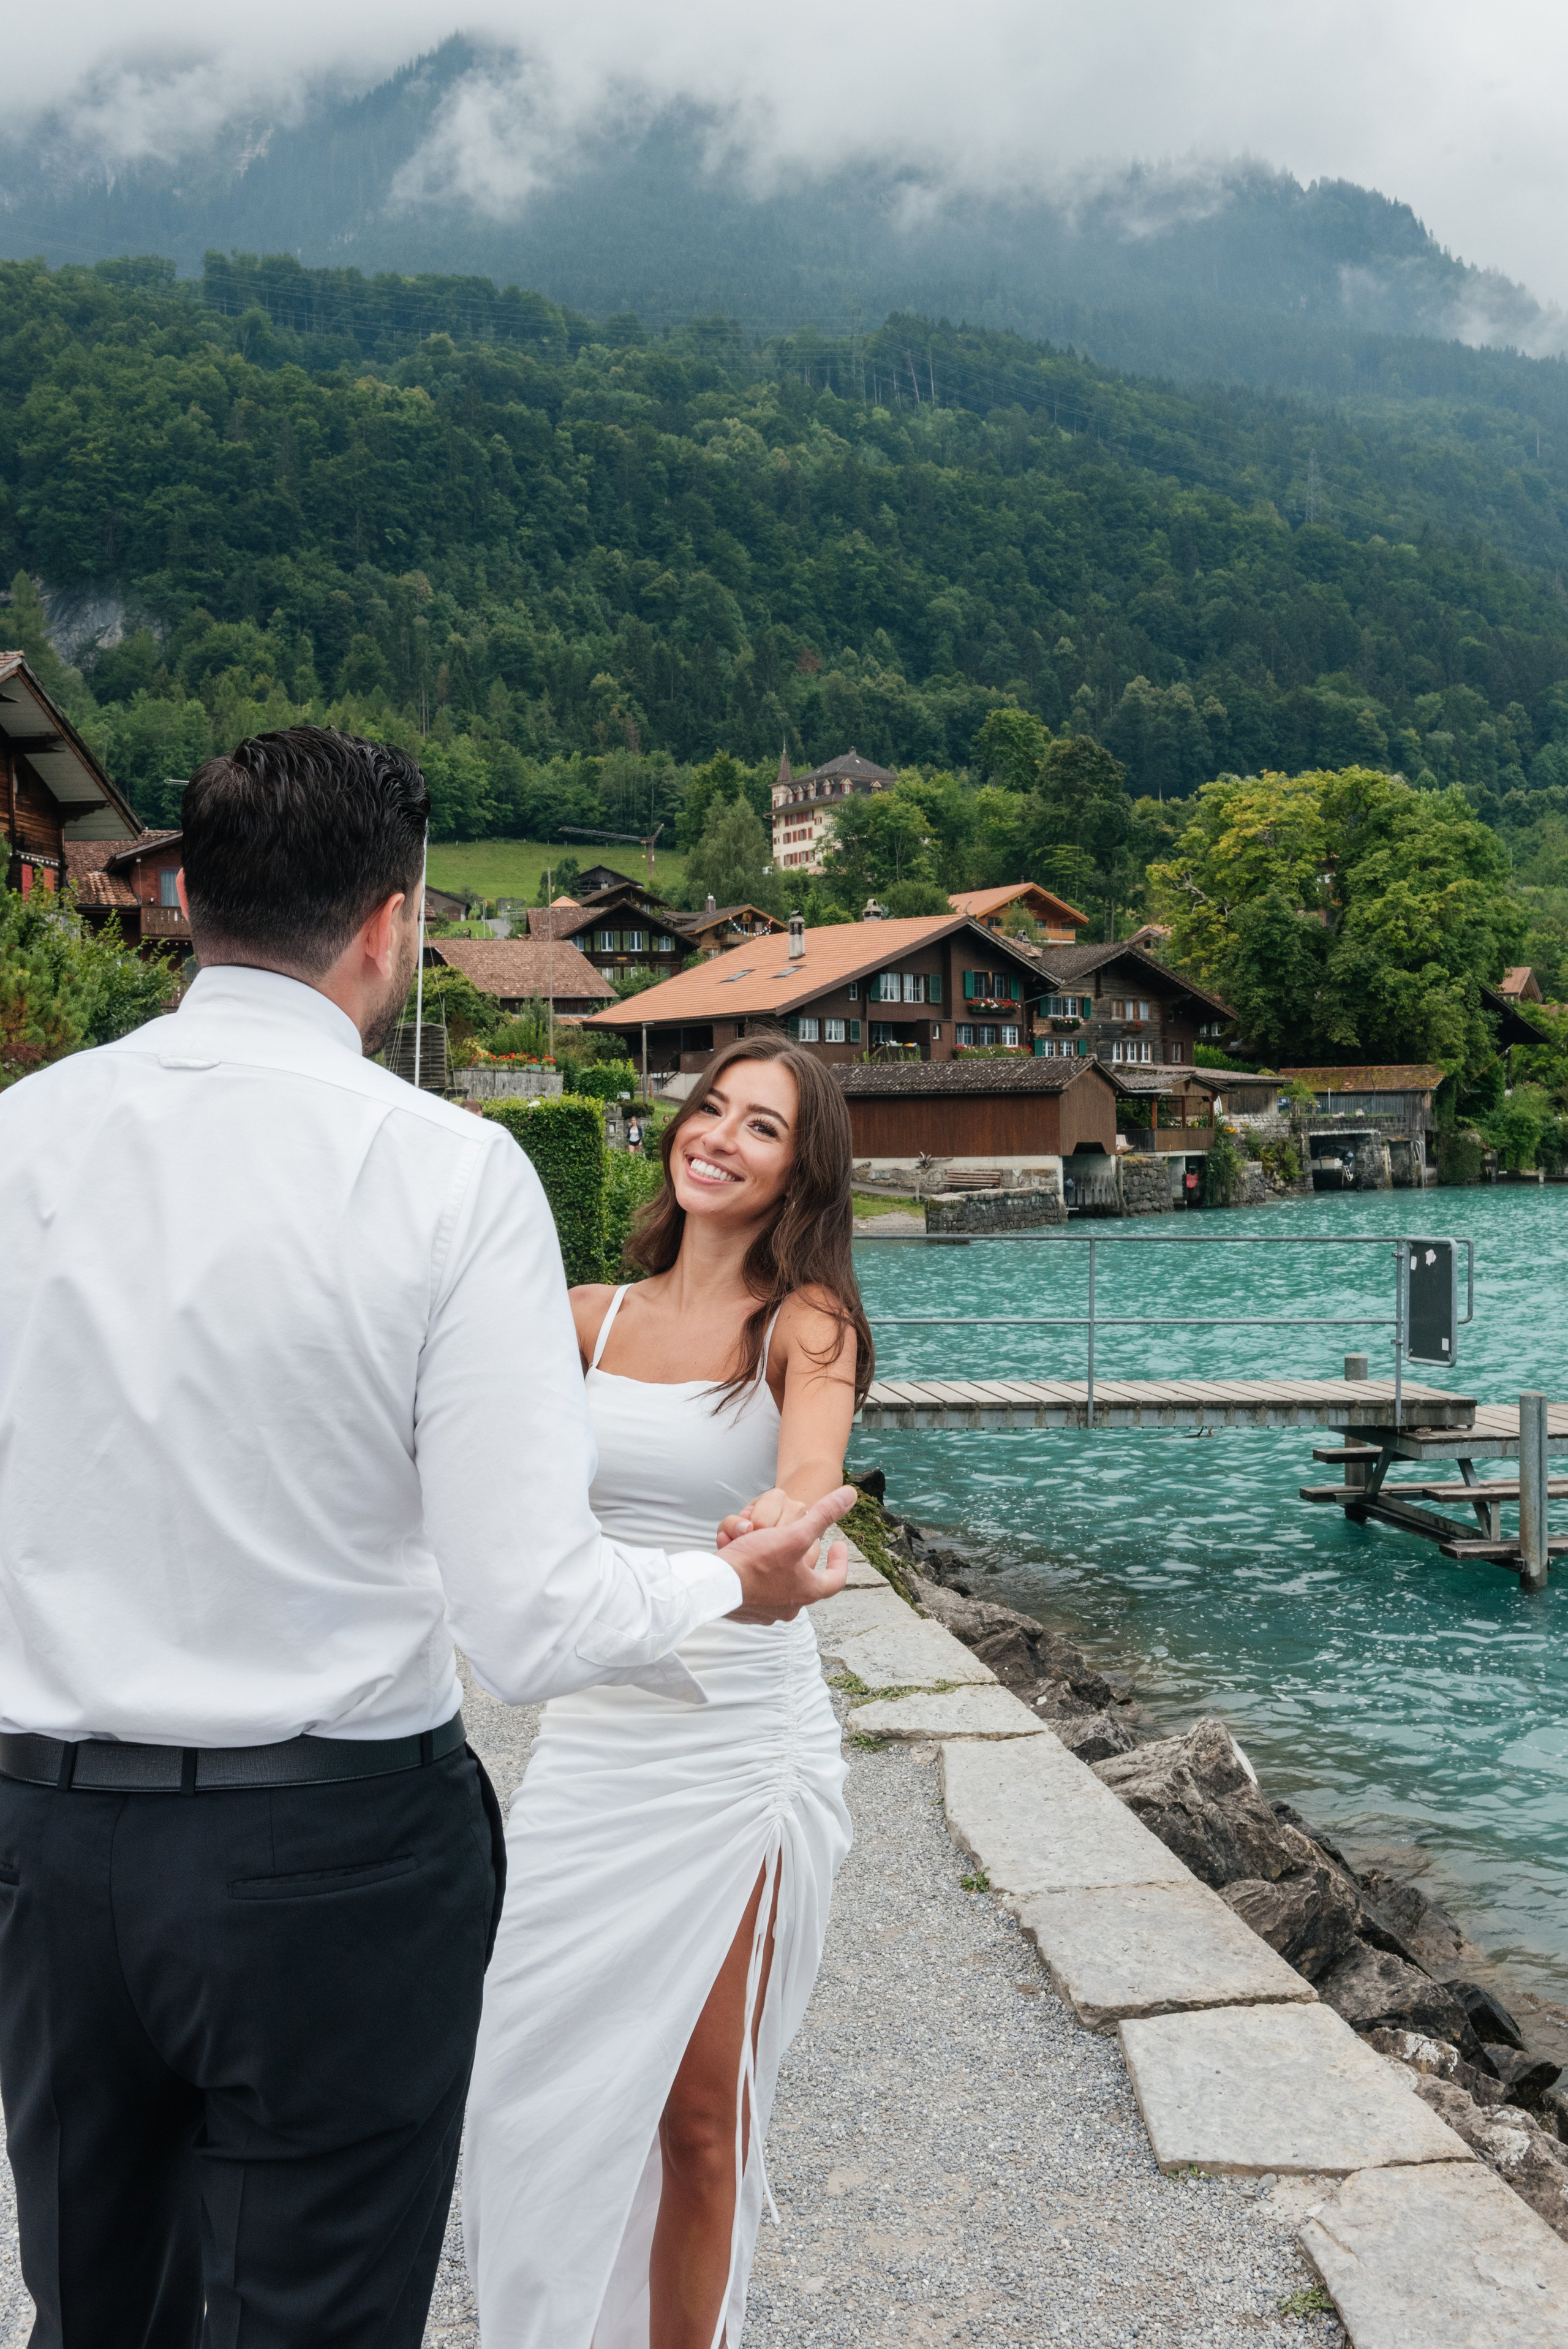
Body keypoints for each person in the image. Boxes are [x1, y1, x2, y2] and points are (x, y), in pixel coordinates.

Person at [0, 729, 853, 2349]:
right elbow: (526, 1621)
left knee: (97, 2308)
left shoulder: (21, 1139)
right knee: (310, 2309)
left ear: (184, 892)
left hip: (55, 1842)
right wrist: (718, 1582)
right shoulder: (447, 1173)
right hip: (330, 1848)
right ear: (394, 923)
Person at [464, 1034, 872, 2349]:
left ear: (799, 1172)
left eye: (761, 1127)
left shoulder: (803, 1325)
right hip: (591, 1745)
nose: (719, 1136)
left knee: (701, 2115)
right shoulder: (586, 1317)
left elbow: (811, 1469)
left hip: (733, 1753)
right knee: (533, 2086)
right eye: (711, 1108)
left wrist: (781, 1513)